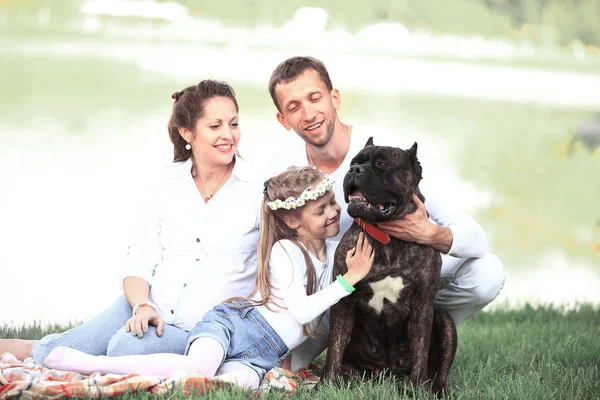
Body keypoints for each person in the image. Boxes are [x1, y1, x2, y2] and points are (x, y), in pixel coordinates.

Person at [265, 56, 506, 371]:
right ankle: (352, 352)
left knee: (487, 272)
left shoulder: (386, 157)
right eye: (294, 106)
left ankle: (416, 345)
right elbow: (267, 251)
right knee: (276, 367)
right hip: (331, 297)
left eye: (315, 98)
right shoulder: (282, 169)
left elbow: (474, 238)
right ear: (283, 119)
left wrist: (430, 234)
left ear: (334, 97)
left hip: (405, 284)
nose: (309, 114)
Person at [0, 80, 264, 366]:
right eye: (216, 126)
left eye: (234, 124)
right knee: (54, 352)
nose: (229, 135)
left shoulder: (258, 190)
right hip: (143, 306)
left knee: (124, 348)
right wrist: (142, 305)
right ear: (187, 132)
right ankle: (42, 348)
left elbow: (273, 277)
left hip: (203, 332)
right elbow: (140, 259)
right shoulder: (167, 183)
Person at [42, 167, 375, 390]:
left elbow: (318, 322)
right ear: (292, 220)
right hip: (235, 328)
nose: (334, 212)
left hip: (262, 354)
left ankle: (153, 372)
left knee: (235, 385)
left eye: (333, 203)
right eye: (321, 210)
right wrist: (349, 281)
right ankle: (84, 362)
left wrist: (292, 361)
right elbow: (303, 312)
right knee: (200, 368)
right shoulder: (286, 251)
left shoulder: (331, 252)